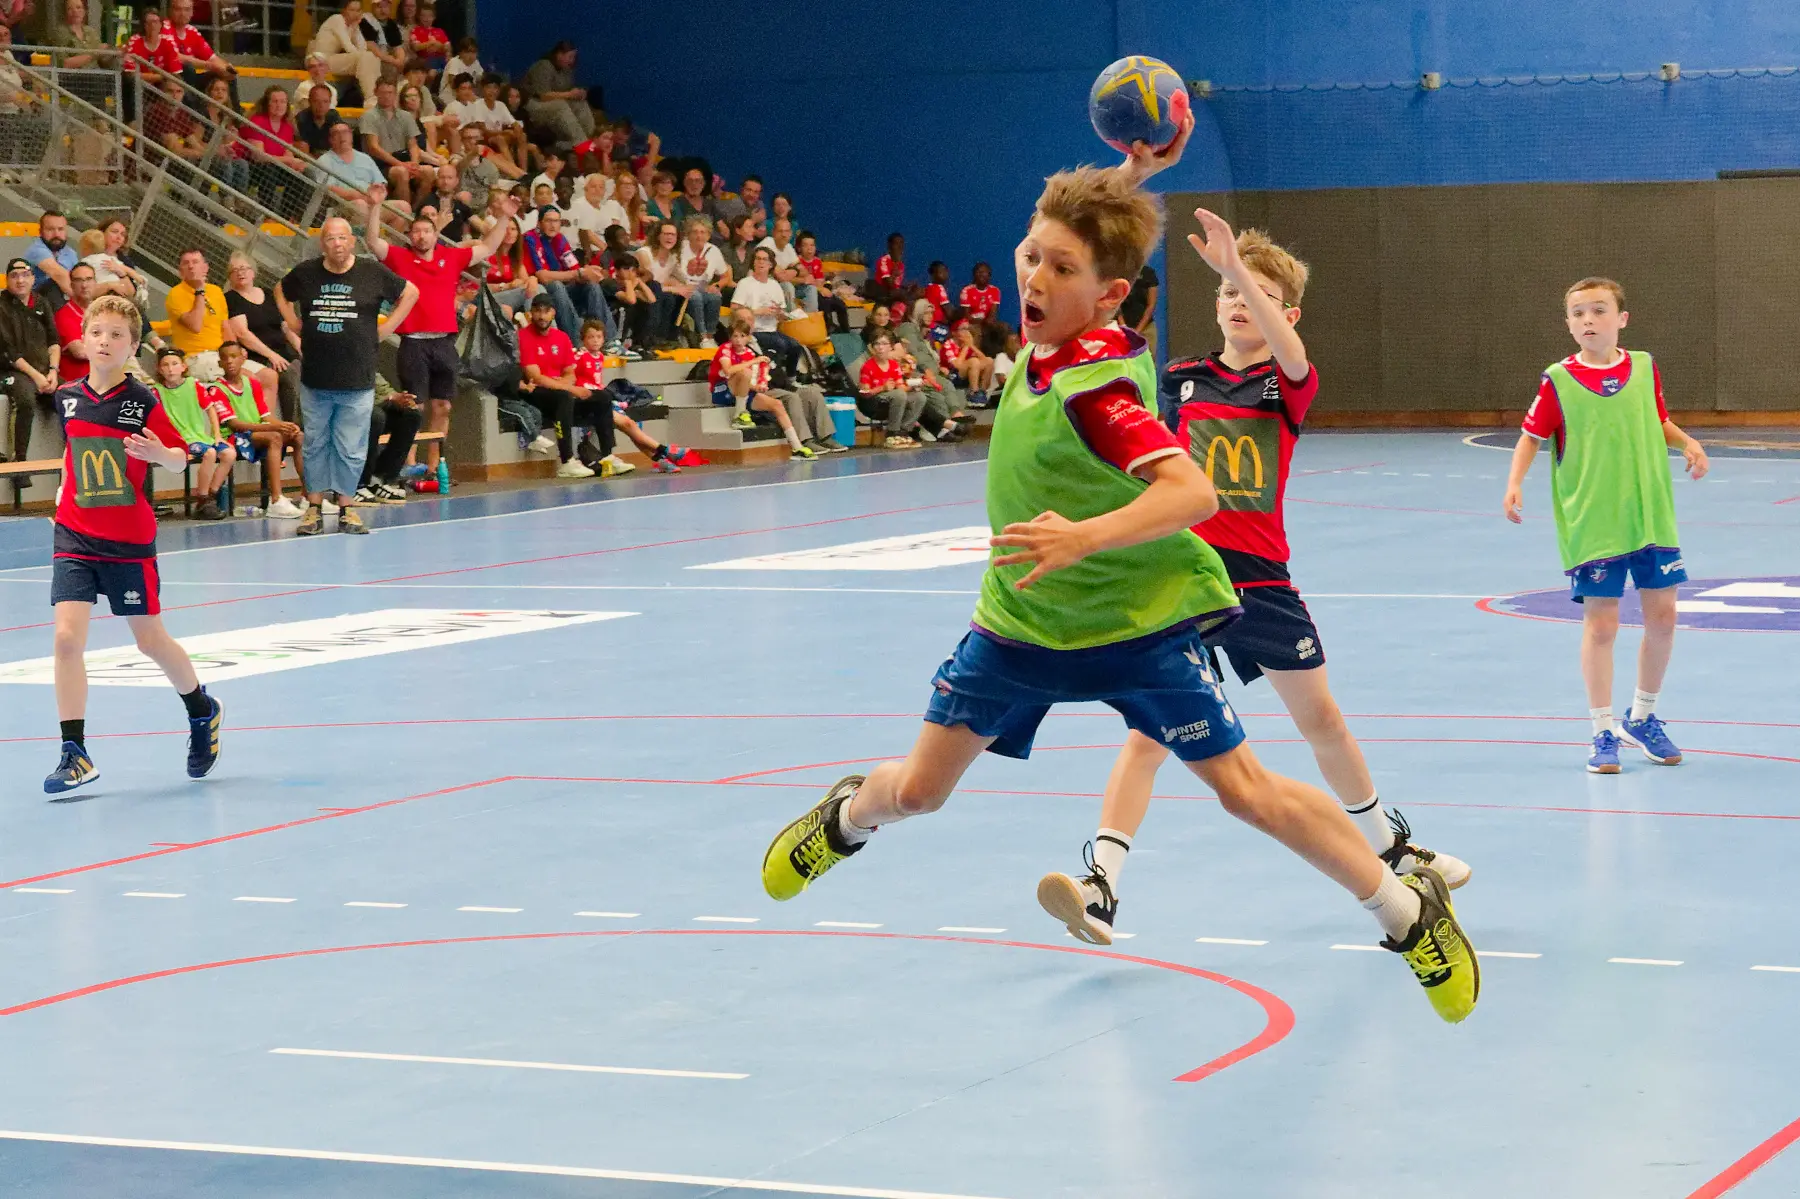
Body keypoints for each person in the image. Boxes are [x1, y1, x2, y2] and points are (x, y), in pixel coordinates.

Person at [758, 131, 1482, 1027]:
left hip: (1138, 628)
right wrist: (1127, 179)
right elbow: (1065, 234)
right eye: (1031, 257)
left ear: (1106, 296)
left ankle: (1409, 914)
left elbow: (1193, 490)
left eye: (1059, 268)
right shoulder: (1060, 325)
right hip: (1019, 628)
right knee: (916, 792)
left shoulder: (1098, 388)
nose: (1033, 277)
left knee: (1246, 791)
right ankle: (844, 820)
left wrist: (1085, 536)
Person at [1040, 218, 1470, 948]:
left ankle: (1393, 849)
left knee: (1322, 720)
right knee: (1148, 733)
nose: (1238, 301)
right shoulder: (1180, 378)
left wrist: (1238, 266)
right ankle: (1101, 884)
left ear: (1286, 313)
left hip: (1262, 580)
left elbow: (1293, 357)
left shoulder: (1286, 382)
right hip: (1184, 576)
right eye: (1228, 292)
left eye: (1257, 295)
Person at [1503, 277, 1710, 773]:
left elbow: (1656, 419)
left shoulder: (1644, 367)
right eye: (1578, 313)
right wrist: (1514, 483)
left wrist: (1688, 442)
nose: (1588, 320)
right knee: (1602, 626)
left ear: (1622, 319)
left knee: (1664, 617)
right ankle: (1601, 731)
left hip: (1650, 514)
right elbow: (1531, 436)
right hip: (1594, 522)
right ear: (1568, 324)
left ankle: (1642, 717)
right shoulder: (1558, 379)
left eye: (1599, 310)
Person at [42, 294, 222, 796]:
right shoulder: (68, 396)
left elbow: (180, 458)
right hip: (74, 532)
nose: (105, 341)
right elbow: (72, 449)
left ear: (132, 346)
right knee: (66, 639)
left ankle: (201, 709)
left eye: (116, 335)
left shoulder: (142, 401)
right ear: (84, 338)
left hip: (126, 539)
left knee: (149, 641)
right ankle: (74, 753)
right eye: (97, 332)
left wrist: (159, 452)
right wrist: (63, 489)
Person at [276, 215, 419, 536]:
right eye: (330, 238)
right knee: (315, 444)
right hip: (316, 377)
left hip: (357, 377)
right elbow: (280, 291)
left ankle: (346, 507)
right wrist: (294, 323)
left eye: (342, 238)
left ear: (352, 241)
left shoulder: (371, 271)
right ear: (322, 244)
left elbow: (410, 292)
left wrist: (386, 328)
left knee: (351, 447)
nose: (337, 244)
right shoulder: (307, 272)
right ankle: (313, 508)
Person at [363, 182, 511, 471]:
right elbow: (372, 242)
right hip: (413, 343)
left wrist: (505, 216)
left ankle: (435, 466)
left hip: (444, 343)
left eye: (427, 231)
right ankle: (405, 465)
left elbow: (489, 246)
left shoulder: (451, 257)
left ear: (435, 234)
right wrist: (375, 206)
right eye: (416, 231)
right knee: (413, 407)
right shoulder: (400, 258)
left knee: (443, 406)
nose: (421, 236)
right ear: (410, 236)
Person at [571, 319, 684, 472]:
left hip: (601, 399)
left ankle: (662, 460)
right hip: (588, 402)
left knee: (630, 426)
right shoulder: (579, 356)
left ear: (604, 339)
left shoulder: (599, 356)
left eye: (598, 337)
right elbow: (571, 377)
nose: (595, 340)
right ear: (583, 339)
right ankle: (665, 450)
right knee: (628, 424)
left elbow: (596, 381)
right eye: (591, 337)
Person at [515, 292, 602, 478]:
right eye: (538, 311)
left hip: (557, 388)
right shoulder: (523, 336)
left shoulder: (561, 337)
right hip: (533, 392)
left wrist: (564, 383)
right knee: (564, 397)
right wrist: (569, 387)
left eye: (546, 311)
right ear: (531, 313)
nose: (542, 316)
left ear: (553, 313)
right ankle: (567, 460)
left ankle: (607, 455)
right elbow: (535, 377)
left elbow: (570, 373)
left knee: (603, 397)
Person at [213, 340, 305, 518]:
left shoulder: (252, 384)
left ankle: (307, 495)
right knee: (274, 437)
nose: (230, 361)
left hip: (256, 433)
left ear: (243, 358)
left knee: (297, 436)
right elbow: (235, 425)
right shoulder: (217, 389)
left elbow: (265, 416)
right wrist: (275, 427)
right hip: (233, 437)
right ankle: (276, 500)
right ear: (219, 363)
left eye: (234, 356)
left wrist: (284, 426)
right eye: (225, 358)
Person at [710, 317, 813, 459]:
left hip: (742, 391)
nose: (738, 340)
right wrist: (753, 361)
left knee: (777, 405)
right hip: (723, 390)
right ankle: (739, 415)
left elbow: (749, 381)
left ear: (748, 338)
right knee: (744, 372)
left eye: (742, 336)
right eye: (735, 336)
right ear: (730, 337)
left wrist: (757, 387)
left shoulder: (749, 353)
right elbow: (728, 371)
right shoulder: (725, 349)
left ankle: (797, 447)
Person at [151, 346, 234, 519]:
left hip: (199, 438)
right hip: (179, 440)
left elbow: (211, 409)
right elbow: (154, 420)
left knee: (229, 453)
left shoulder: (193, 385)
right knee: (209, 453)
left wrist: (217, 434)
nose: (170, 368)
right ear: (159, 369)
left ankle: (211, 495)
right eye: (165, 365)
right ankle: (203, 499)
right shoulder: (157, 392)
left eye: (175, 364)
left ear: (183, 367)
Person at [522, 204, 617, 347]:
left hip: (565, 288)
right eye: (548, 221)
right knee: (556, 285)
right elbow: (543, 276)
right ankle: (576, 343)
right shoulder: (530, 239)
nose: (553, 225)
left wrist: (589, 272)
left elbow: (575, 269)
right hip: (540, 291)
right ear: (539, 223)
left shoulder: (560, 239)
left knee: (591, 285)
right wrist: (578, 273)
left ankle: (608, 341)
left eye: (556, 221)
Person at [224, 251, 299, 420]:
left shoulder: (267, 293)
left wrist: (302, 347)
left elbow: (285, 326)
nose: (240, 273)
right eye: (235, 270)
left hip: (283, 351)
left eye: (244, 268)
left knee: (309, 371)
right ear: (230, 277)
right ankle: (293, 426)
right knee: (289, 375)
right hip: (259, 355)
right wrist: (272, 355)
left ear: (253, 272)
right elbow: (243, 334)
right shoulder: (231, 299)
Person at [1, 257, 59, 461]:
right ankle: (19, 462)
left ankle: (75, 459)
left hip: (44, 371)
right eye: (14, 276)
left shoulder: (42, 302)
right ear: (7, 280)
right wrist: (37, 377)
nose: (20, 280)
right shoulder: (2, 305)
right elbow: (9, 352)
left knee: (72, 398)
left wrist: (53, 371)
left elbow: (54, 341)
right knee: (25, 400)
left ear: (33, 278)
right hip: (11, 371)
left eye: (25, 275)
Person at [360, 77, 436, 206]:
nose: (387, 96)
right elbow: (373, 148)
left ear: (395, 94)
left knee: (428, 171)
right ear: (376, 92)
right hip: (380, 164)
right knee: (401, 172)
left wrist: (414, 164)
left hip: (404, 159)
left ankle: (416, 210)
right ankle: (404, 213)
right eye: (383, 92)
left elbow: (413, 145)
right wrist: (401, 164)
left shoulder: (405, 116)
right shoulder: (369, 116)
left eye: (390, 93)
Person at [164, 247, 229, 382]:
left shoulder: (216, 291)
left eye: (195, 262)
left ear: (205, 268)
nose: (191, 266)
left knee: (266, 376)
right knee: (237, 380)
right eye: (186, 263)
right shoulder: (176, 294)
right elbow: (195, 326)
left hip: (220, 354)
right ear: (181, 271)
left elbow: (226, 327)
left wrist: (235, 352)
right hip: (195, 357)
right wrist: (200, 290)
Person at [355, 375, 421, 503]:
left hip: (371, 404)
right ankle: (359, 483)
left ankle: (379, 479)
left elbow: (378, 383)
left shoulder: (365, 363)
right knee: (375, 417)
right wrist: (389, 398)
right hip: (345, 409)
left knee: (410, 414)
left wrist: (400, 398)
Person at [242, 86, 306, 215]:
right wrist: (289, 160)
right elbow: (259, 156)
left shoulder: (287, 125)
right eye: (275, 101)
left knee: (303, 173)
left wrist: (295, 163)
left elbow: (288, 154)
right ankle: (267, 213)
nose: (279, 105)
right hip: (255, 167)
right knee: (269, 168)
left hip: (276, 166)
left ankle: (290, 215)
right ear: (267, 103)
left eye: (282, 101)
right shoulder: (257, 121)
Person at [309, 0, 383, 111]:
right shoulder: (336, 19)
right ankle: (370, 99)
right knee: (365, 57)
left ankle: (376, 96)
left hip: (333, 59)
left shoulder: (352, 26)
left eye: (358, 10)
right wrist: (354, 30)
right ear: (344, 11)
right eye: (352, 10)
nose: (355, 14)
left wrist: (356, 28)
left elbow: (362, 48)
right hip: (321, 60)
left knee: (372, 57)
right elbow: (349, 47)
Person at [856, 330, 925, 449]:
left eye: (884, 344)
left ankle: (903, 431)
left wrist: (913, 386)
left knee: (919, 397)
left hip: (894, 399)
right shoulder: (867, 367)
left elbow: (901, 387)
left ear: (891, 347)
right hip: (874, 402)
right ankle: (892, 433)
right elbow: (864, 393)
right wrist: (882, 387)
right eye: (877, 344)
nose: (880, 347)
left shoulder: (894, 365)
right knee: (899, 394)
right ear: (872, 347)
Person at [523, 40, 593, 150]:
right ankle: (583, 146)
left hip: (554, 102)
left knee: (580, 104)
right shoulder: (544, 65)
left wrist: (578, 93)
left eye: (573, 57)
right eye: (570, 57)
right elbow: (543, 95)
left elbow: (567, 90)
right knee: (560, 105)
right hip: (534, 104)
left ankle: (586, 139)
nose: (572, 60)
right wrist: (569, 94)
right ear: (559, 55)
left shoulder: (567, 69)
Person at [675, 216, 728, 347]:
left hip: (703, 287)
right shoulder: (680, 247)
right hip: (682, 285)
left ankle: (710, 336)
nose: (699, 236)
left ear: (709, 235)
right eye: (695, 232)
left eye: (703, 232)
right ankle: (702, 336)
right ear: (688, 234)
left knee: (715, 297)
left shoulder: (713, 250)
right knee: (696, 297)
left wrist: (717, 285)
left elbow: (726, 276)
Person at [314, 118, 385, 206]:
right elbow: (329, 189)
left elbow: (381, 184)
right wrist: (362, 196)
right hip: (342, 205)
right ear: (330, 139)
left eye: (345, 132)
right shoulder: (324, 161)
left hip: (372, 202)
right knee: (360, 204)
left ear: (351, 135)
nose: (341, 136)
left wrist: (377, 194)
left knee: (400, 205)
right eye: (336, 133)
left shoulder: (365, 158)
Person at [793, 231, 848, 333]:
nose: (809, 249)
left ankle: (846, 331)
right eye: (805, 245)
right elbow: (802, 282)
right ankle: (827, 327)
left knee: (841, 305)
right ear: (799, 248)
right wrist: (820, 288)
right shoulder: (796, 261)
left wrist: (826, 282)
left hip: (819, 288)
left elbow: (820, 280)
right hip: (804, 290)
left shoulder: (817, 261)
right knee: (824, 302)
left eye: (812, 245)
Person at [53, 262, 95, 384]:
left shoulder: (103, 313)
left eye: (89, 279)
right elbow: (80, 352)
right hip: (76, 385)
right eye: (79, 280)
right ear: (71, 285)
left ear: (95, 282)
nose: (84, 285)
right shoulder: (64, 314)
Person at [49, 0, 119, 70]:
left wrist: (110, 51)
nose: (75, 11)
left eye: (78, 7)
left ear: (84, 11)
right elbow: (64, 64)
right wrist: (94, 53)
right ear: (65, 12)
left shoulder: (91, 31)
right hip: (72, 75)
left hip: (96, 73)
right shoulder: (60, 32)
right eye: (69, 8)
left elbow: (102, 60)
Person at [24, 209, 77, 299]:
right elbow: (59, 275)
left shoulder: (71, 253)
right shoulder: (37, 250)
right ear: (40, 232)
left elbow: (79, 279)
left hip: (59, 301)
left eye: (60, 229)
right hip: (32, 301)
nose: (56, 234)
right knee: (52, 286)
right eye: (50, 229)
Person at [940, 320, 993, 407]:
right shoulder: (948, 344)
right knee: (974, 361)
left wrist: (971, 345)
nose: (967, 332)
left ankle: (981, 392)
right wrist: (966, 346)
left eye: (968, 329)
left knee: (989, 360)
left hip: (966, 373)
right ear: (954, 333)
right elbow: (957, 365)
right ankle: (973, 393)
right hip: (952, 375)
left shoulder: (967, 344)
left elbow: (983, 359)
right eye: (963, 329)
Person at [294, 78, 344, 156]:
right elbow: (302, 151)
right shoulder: (301, 119)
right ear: (310, 102)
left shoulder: (334, 117)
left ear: (330, 102)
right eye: (316, 101)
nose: (321, 105)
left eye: (325, 101)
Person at [1121, 260, 1159, 356]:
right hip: (1121, 328)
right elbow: (1115, 303)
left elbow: (1151, 304)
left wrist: (1137, 331)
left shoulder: (1148, 273)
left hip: (1146, 327)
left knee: (1148, 359)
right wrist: (1124, 328)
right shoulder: (1118, 273)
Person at [713, 173, 764, 242]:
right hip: (721, 242)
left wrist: (757, 231)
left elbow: (762, 234)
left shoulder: (759, 204)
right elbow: (740, 234)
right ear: (742, 190)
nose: (752, 194)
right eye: (749, 190)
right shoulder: (735, 204)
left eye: (756, 192)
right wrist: (753, 221)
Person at [437, 34, 482, 103]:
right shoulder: (454, 62)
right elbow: (453, 85)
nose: (471, 55)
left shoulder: (476, 63)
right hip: (449, 98)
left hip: (467, 96)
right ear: (460, 53)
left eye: (474, 52)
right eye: (468, 52)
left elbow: (481, 80)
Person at [870, 231, 905, 304]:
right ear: (889, 246)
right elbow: (889, 284)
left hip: (892, 295)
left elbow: (896, 286)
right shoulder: (883, 260)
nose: (900, 247)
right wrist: (896, 265)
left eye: (901, 243)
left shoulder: (901, 265)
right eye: (896, 243)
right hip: (881, 294)